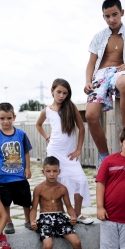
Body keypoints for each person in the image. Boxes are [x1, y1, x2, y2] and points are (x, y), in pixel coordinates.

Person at [84, 0, 125, 173]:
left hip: (121, 71)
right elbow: (91, 63)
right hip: (101, 74)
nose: (111, 19)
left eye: (114, 14)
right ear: (103, 17)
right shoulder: (98, 37)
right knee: (90, 115)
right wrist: (88, 81)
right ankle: (104, 156)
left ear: (122, 13)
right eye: (107, 16)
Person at [30, 156, 94, 249]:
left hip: (60, 217)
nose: (52, 174)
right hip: (45, 219)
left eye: (55, 171)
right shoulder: (39, 189)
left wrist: (72, 216)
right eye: (48, 171)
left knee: (76, 242)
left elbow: (69, 206)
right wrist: (32, 221)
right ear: (43, 172)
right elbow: (34, 208)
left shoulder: (62, 188)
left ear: (59, 171)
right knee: (48, 246)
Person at [36, 78, 93, 225]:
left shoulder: (70, 107)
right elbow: (38, 125)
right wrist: (47, 137)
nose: (61, 95)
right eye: (59, 92)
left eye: (65, 93)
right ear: (52, 91)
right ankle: (60, 214)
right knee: (57, 182)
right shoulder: (47, 111)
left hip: (69, 154)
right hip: (54, 151)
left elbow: (81, 128)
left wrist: (78, 148)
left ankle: (78, 214)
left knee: (80, 180)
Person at [0, 102, 32, 234]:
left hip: (20, 176)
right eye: (2, 118)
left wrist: (28, 168)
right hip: (4, 178)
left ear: (14, 117)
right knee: (5, 203)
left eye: (9, 118)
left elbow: (26, 152)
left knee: (26, 200)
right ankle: (8, 222)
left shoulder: (21, 134)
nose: (6, 121)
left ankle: (28, 219)